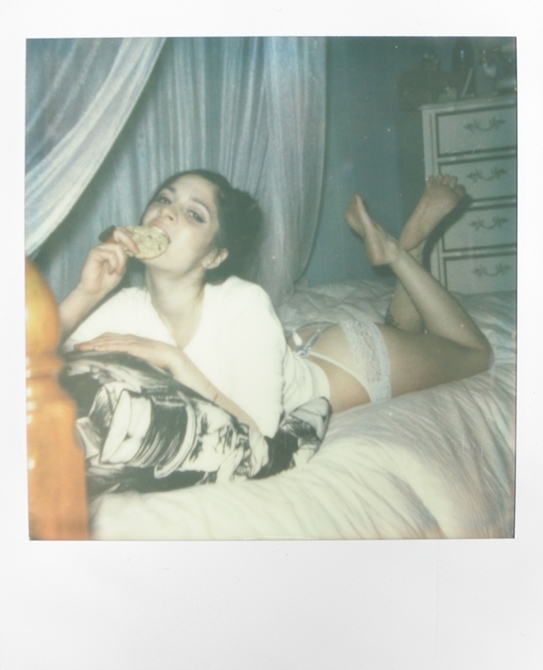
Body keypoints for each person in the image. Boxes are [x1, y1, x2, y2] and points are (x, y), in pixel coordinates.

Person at [60, 169, 492, 442]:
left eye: (194, 214)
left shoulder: (243, 301)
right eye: (164, 199)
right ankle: (413, 245)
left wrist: (173, 359)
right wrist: (87, 293)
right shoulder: (126, 307)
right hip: (293, 347)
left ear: (214, 257)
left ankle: (396, 252)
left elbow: (260, 434)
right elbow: (34, 363)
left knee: (472, 354)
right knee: (407, 328)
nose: (166, 213)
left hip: (346, 364)